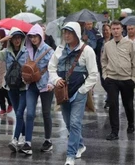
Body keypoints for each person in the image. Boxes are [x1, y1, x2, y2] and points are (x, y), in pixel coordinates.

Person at [48, 22, 98, 165]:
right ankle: (80, 145)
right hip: (63, 93)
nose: (66, 35)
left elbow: (94, 74)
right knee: (69, 123)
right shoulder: (59, 50)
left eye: (70, 32)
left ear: (77, 34)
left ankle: (70, 156)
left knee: (75, 123)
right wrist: (56, 80)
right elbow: (51, 68)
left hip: (79, 94)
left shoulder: (87, 51)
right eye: (65, 32)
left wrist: (83, 90)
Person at [0, 27, 28, 152]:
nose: (17, 40)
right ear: (11, 40)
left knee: (19, 113)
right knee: (19, 112)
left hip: (24, 87)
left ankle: (16, 138)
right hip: (11, 86)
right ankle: (23, 136)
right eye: (14, 38)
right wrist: (2, 40)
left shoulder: (27, 51)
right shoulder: (6, 52)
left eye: (19, 38)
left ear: (22, 39)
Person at [101, 20, 135, 141]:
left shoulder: (129, 43)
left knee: (128, 105)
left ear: (122, 29)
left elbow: (134, 61)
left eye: (118, 28)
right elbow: (104, 61)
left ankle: (131, 123)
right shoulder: (107, 45)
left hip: (126, 79)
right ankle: (114, 131)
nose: (116, 31)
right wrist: (105, 75)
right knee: (113, 104)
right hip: (112, 79)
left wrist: (133, 78)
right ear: (111, 30)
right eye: (113, 29)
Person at [22, 24, 54, 155]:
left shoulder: (49, 50)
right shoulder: (27, 51)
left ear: (41, 36)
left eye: (36, 36)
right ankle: (27, 142)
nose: (33, 39)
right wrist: (24, 77)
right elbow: (24, 66)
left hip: (46, 85)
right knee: (29, 114)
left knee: (46, 113)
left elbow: (53, 69)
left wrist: (52, 83)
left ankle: (48, 140)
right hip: (31, 85)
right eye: (31, 37)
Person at [97, 24, 112, 108]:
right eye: (104, 30)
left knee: (109, 82)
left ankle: (109, 100)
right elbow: (96, 51)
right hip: (101, 65)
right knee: (103, 83)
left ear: (110, 31)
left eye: (107, 30)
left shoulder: (113, 40)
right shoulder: (100, 41)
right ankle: (112, 95)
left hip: (111, 65)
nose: (105, 32)